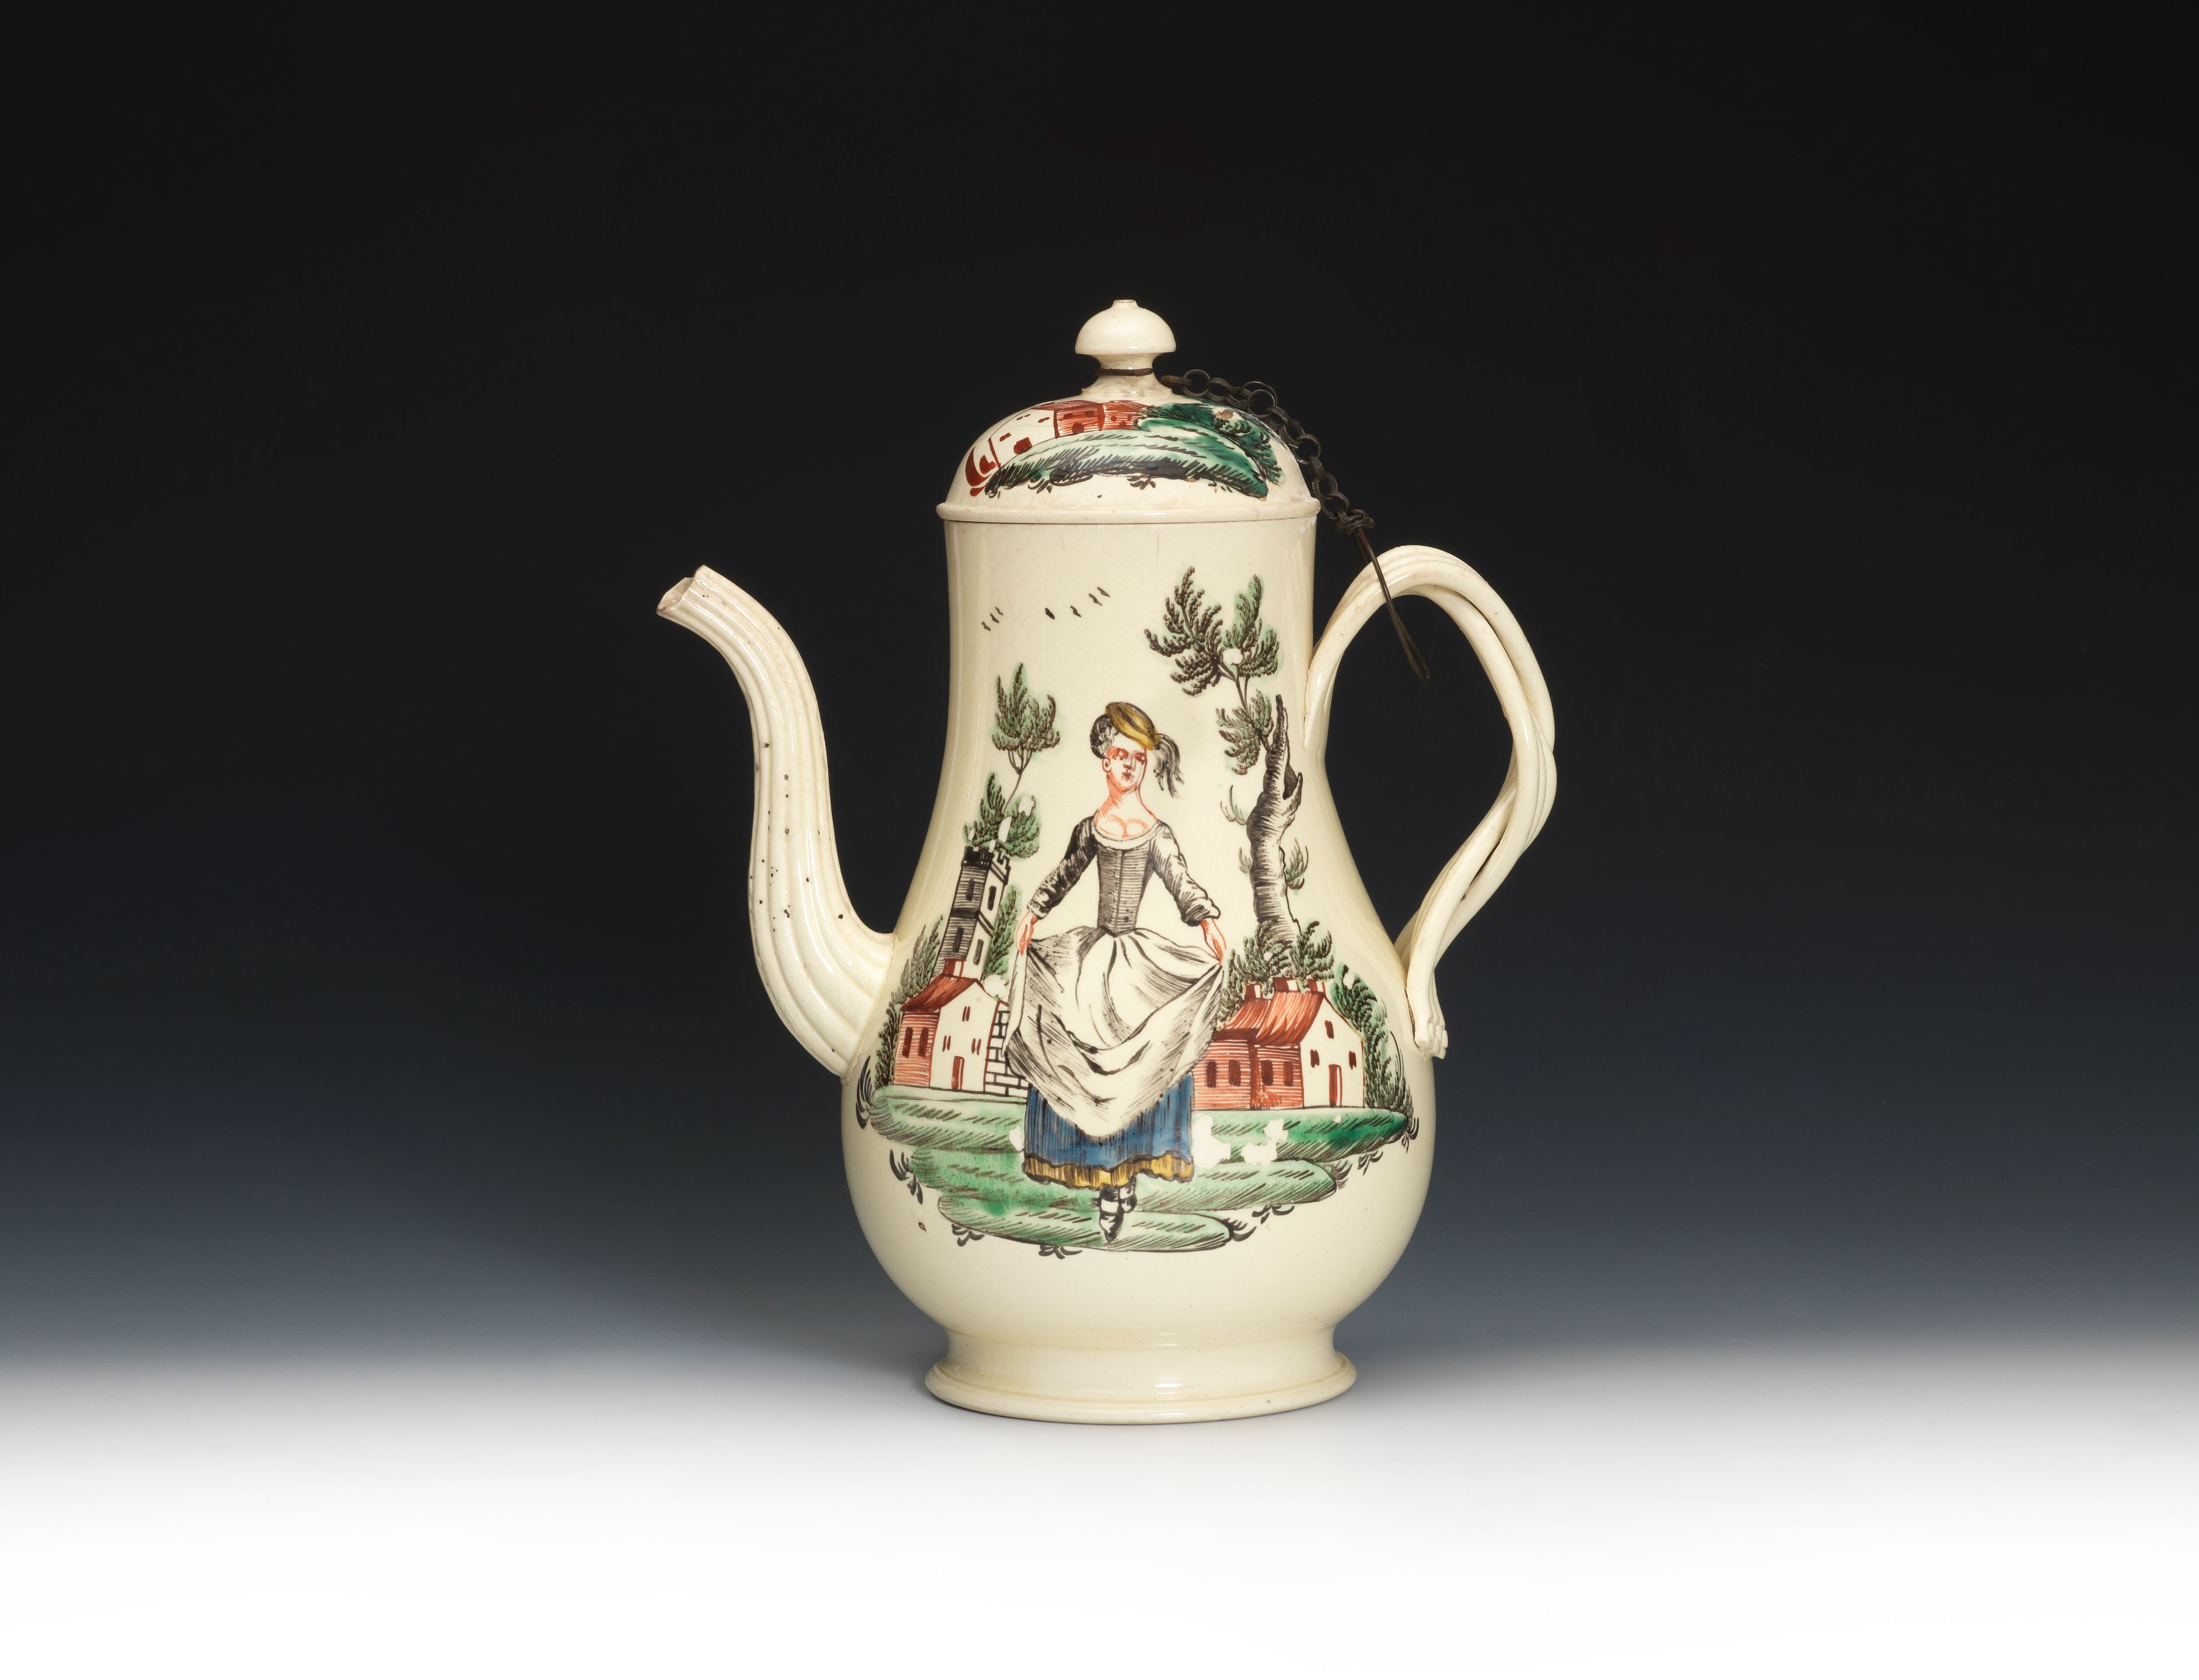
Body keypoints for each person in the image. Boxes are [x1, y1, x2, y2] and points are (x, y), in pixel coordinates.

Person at [1006, 702, 1227, 1242]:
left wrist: (1207, 922)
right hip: (1092, 959)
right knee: (1079, 1050)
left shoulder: (1157, 833)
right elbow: (1065, 873)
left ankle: (1125, 1174)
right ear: (1104, 761)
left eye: (1138, 758)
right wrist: (1033, 912)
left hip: (1135, 962)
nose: (1129, 765)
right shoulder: (1091, 828)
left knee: (1141, 1059)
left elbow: (1179, 881)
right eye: (1120, 756)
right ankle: (1104, 1176)